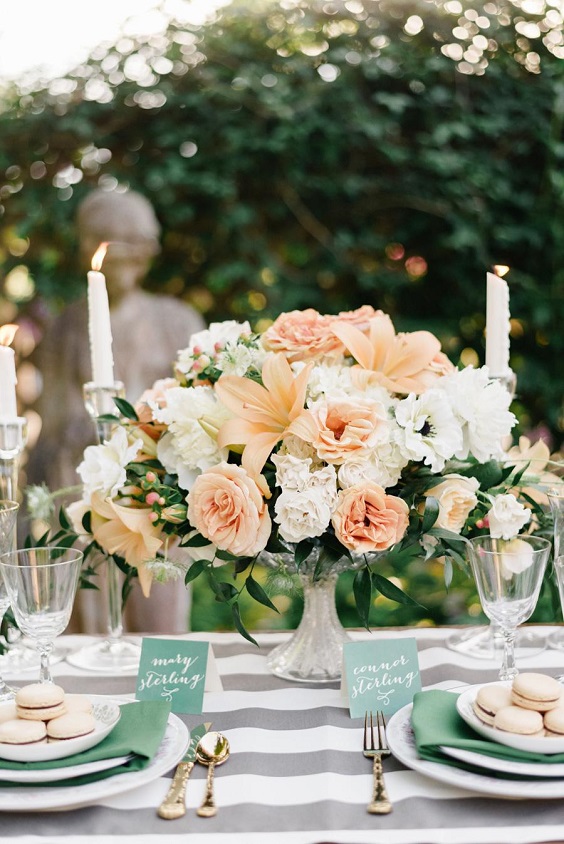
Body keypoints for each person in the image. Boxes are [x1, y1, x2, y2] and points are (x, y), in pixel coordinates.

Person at [27, 188, 206, 633]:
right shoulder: (64, 330)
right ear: (86, 245)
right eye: (105, 237)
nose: (122, 251)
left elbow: (202, 416)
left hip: (158, 500)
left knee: (158, 621)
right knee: (88, 624)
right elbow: (53, 427)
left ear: (151, 247)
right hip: (83, 500)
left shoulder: (179, 321)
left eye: (135, 239)